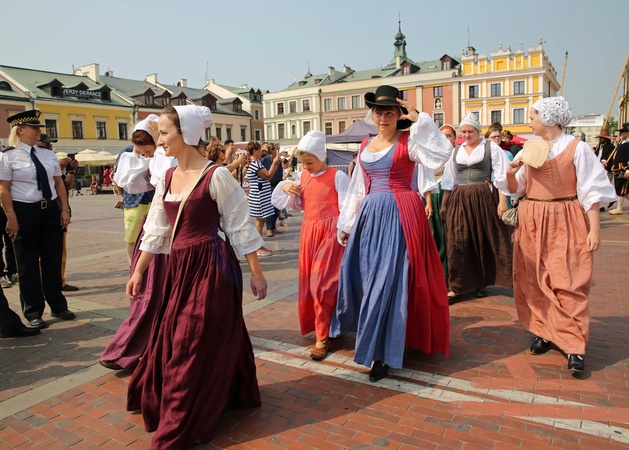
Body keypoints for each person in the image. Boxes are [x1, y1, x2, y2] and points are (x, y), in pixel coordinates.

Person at [125, 105, 267, 449]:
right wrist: (139, 271)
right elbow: (157, 227)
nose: (160, 141)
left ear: (185, 134)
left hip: (212, 267)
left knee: (191, 339)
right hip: (179, 268)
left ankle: (183, 416)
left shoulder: (216, 176)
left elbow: (239, 225)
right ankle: (228, 389)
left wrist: (257, 273)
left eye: (164, 133)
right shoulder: (167, 177)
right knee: (184, 335)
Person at [331, 85, 452, 383]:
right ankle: (380, 341)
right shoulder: (364, 145)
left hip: (402, 215)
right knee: (368, 278)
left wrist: (420, 118)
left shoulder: (410, 143)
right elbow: (358, 187)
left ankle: (381, 354)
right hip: (370, 218)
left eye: (389, 112)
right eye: (378, 112)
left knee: (388, 281)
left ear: (399, 115)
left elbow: (442, 154)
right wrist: (347, 223)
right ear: (372, 115)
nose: (383, 118)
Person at [505, 96, 616, 372]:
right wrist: (510, 173)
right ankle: (544, 331)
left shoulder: (577, 148)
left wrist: (594, 229)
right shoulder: (529, 149)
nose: (529, 122)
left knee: (568, 280)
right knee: (534, 279)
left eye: (533, 117)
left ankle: (574, 344)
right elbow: (516, 190)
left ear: (548, 118)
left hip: (565, 217)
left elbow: (591, 192)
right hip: (532, 217)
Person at [99, 114, 174, 371]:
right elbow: (130, 183)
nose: (150, 153)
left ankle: (149, 346)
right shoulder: (155, 159)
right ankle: (128, 348)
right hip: (158, 227)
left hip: (168, 229)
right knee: (149, 292)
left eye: (164, 136)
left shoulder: (171, 158)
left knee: (161, 293)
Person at [272, 131, 350, 360]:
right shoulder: (303, 176)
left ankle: (322, 337)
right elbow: (296, 204)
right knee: (311, 284)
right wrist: (286, 187)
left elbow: (348, 206)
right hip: (309, 233)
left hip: (331, 234)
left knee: (322, 286)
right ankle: (326, 326)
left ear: (321, 156)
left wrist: (345, 231)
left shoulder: (337, 176)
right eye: (303, 163)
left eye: (310, 162)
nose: (306, 167)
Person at [0, 110, 75, 329]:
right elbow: (3, 190)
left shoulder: (47, 154)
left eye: (38, 128)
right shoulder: (8, 156)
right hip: (24, 212)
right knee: (28, 264)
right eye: (33, 128)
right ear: (19, 131)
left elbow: (58, 183)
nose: (38, 131)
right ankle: (33, 311)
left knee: (52, 260)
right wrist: (11, 218)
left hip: (50, 210)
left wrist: (64, 209)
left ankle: (58, 305)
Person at [440, 114, 512, 300]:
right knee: (457, 240)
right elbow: (449, 178)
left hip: (482, 197)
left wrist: (502, 201)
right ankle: (455, 286)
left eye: (470, 131)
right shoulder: (456, 151)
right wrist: (444, 204)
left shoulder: (490, 147)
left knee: (481, 239)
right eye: (464, 132)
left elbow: (501, 175)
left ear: (478, 131)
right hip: (459, 198)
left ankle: (481, 283)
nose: (466, 135)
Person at [37, 135, 80, 293]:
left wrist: (71, 170)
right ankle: (40, 283)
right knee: (38, 252)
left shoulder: (51, 162)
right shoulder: (37, 163)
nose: (49, 148)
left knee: (59, 251)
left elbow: (67, 185)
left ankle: (59, 281)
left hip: (58, 212)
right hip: (40, 212)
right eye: (46, 144)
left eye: (50, 145)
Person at [114, 127, 156, 266]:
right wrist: (124, 197)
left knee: (153, 237)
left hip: (153, 198)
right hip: (133, 201)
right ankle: (133, 267)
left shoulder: (158, 149)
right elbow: (119, 177)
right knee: (132, 237)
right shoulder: (127, 152)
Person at [246, 140, 279, 254]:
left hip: (262, 196)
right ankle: (257, 247)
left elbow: (268, 175)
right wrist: (274, 164)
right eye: (260, 149)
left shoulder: (257, 163)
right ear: (255, 151)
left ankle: (259, 245)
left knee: (261, 221)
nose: (262, 151)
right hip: (259, 197)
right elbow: (268, 175)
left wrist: (275, 165)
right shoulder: (255, 164)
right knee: (259, 223)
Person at [261, 143, 284, 237]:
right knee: (270, 208)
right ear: (272, 150)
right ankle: (269, 229)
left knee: (276, 207)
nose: (277, 151)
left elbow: (280, 172)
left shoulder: (278, 160)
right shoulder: (264, 160)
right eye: (276, 149)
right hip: (269, 186)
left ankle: (273, 226)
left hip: (277, 185)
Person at [607, 123, 629, 215]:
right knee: (622, 189)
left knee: (622, 189)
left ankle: (619, 208)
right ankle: (619, 208)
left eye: (623, 132)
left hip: (624, 169)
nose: (621, 133)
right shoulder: (621, 143)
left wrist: (628, 170)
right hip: (617, 169)